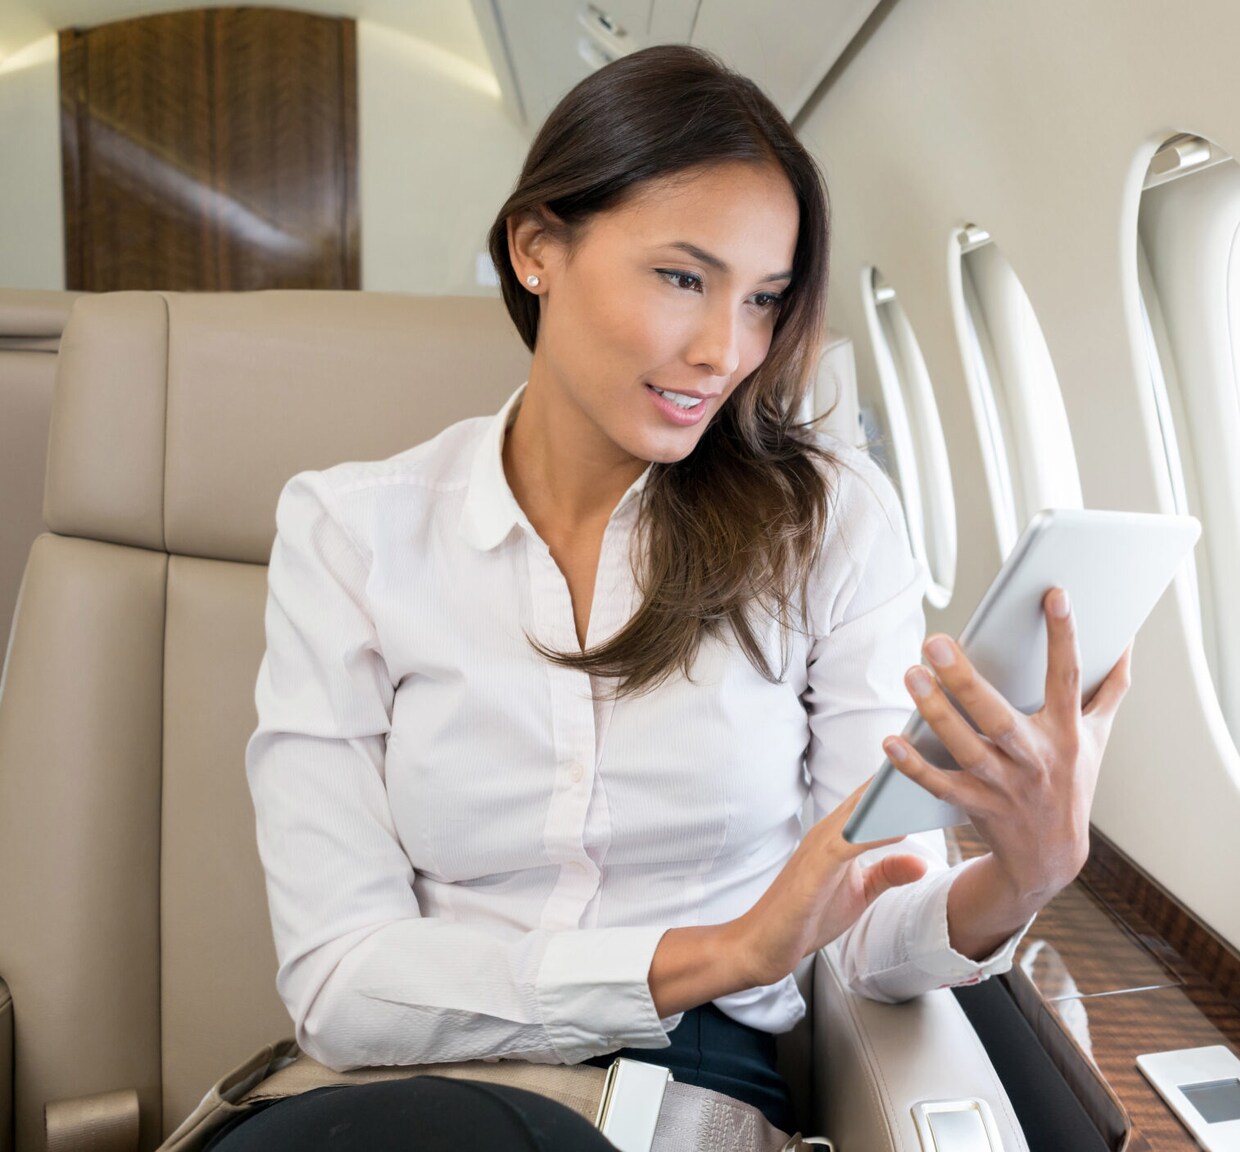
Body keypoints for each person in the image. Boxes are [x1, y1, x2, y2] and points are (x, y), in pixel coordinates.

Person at [207, 43, 1132, 1151]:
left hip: (677, 1094)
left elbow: (866, 924)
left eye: (763, 302)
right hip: (373, 1095)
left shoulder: (825, 524)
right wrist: (728, 951)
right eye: (683, 279)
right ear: (536, 246)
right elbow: (339, 979)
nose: (722, 351)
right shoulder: (350, 530)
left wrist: (1019, 879)